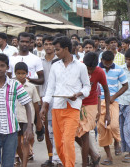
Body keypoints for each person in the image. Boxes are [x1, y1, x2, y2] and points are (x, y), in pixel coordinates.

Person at [40, 36, 91, 167]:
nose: (55, 52)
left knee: (68, 141)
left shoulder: (81, 67)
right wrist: (44, 106)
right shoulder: (55, 66)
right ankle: (65, 163)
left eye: (57, 50)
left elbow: (87, 86)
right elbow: (50, 88)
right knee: (58, 144)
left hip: (73, 108)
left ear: (66, 49)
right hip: (57, 108)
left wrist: (79, 94)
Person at [76, 52, 111, 167]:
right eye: (87, 69)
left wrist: (107, 113)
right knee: (75, 134)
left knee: (85, 133)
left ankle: (84, 164)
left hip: (90, 104)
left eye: (92, 69)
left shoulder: (100, 72)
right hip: (76, 104)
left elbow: (106, 90)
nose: (89, 72)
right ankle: (94, 155)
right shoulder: (77, 68)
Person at [98, 51, 128, 166]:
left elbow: (126, 85)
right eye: (106, 63)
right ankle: (109, 156)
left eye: (110, 63)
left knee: (114, 125)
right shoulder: (97, 69)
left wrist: (114, 97)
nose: (108, 65)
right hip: (99, 101)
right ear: (102, 60)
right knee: (103, 128)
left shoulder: (118, 69)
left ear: (112, 61)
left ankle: (116, 141)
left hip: (113, 101)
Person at [14, 62, 42, 167]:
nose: (21, 76)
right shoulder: (12, 86)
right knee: (16, 144)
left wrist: (38, 121)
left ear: (27, 73)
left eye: (23, 73)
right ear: (15, 73)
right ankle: (22, 160)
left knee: (25, 142)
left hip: (27, 118)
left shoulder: (31, 87)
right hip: (15, 118)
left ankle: (24, 164)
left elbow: (36, 105)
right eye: (18, 73)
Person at [40, 35, 62, 167]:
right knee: (48, 130)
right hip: (44, 98)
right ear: (43, 45)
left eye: (50, 44)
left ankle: (59, 157)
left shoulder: (60, 60)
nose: (48, 46)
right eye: (46, 44)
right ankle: (51, 157)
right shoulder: (39, 61)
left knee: (59, 129)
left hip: (58, 99)